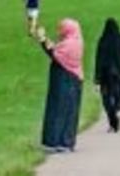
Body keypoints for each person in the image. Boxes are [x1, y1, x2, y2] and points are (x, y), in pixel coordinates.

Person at [36, 18, 83, 152]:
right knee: (69, 111)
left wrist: (43, 39)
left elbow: (54, 54)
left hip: (65, 79)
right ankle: (66, 141)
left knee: (58, 109)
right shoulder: (75, 41)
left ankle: (54, 141)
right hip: (73, 79)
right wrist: (44, 39)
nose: (59, 32)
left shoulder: (69, 44)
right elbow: (55, 49)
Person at [94, 17, 120, 133]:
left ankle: (113, 124)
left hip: (106, 76)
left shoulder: (102, 41)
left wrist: (97, 79)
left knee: (108, 99)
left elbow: (98, 61)